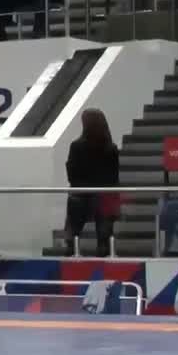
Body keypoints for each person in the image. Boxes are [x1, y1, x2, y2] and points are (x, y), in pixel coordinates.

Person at [64, 108, 120, 257]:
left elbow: (72, 175)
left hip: (81, 194)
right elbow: (114, 177)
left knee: (74, 205)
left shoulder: (76, 146)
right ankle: (103, 246)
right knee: (104, 208)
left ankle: (71, 244)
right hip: (104, 194)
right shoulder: (111, 148)